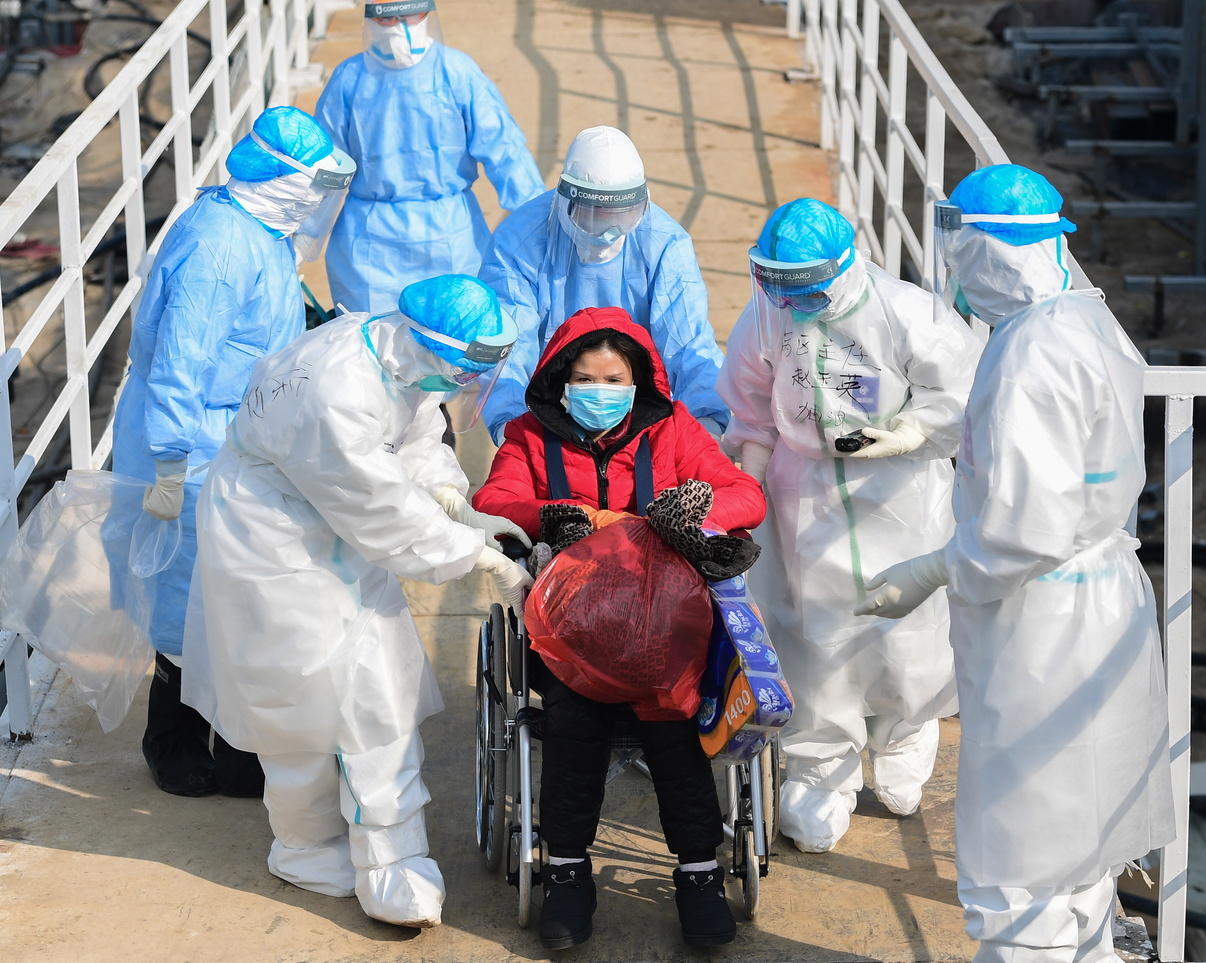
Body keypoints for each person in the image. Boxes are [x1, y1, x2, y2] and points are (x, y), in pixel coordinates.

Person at [855, 164, 1174, 962]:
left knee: (1018, 846)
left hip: (1043, 616)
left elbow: (1020, 531)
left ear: (987, 251)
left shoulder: (1030, 354)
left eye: (960, 250)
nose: (954, 271)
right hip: (1103, 594)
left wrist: (931, 571)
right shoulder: (1088, 318)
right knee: (1081, 829)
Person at [180, 275, 534, 929]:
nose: (462, 383)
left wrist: (452, 493)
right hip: (273, 540)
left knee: (376, 693)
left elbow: (417, 437)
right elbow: (382, 509)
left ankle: (391, 858)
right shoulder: (337, 389)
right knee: (296, 702)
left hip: (331, 528)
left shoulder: (399, 355)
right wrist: (476, 554)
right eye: (461, 369)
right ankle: (306, 845)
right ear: (431, 345)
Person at [473, 306, 766, 950]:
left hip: (661, 622)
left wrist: (692, 508)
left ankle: (699, 874)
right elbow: (491, 501)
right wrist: (553, 515)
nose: (599, 393)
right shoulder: (528, 436)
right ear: (560, 379)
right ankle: (569, 874)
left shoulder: (673, 432)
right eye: (585, 378)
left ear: (639, 382)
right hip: (570, 625)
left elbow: (747, 495)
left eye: (613, 380)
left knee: (671, 720)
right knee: (572, 725)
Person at [718, 198, 981, 853]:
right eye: (781, 285)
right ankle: (820, 768)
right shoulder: (768, 315)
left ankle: (905, 729)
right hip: (802, 494)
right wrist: (744, 489)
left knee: (911, 631)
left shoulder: (905, 312)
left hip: (902, 492)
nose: (794, 299)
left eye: (805, 286)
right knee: (815, 633)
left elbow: (961, 395)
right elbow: (750, 406)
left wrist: (908, 434)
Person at [111, 105, 354, 799]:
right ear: (285, 183)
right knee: (186, 598)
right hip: (188, 437)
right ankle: (174, 739)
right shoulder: (219, 247)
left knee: (237, 589)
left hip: (234, 432)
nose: (317, 206)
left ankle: (237, 737)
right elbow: (178, 366)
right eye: (312, 189)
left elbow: (270, 316)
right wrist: (166, 461)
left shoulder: (258, 227)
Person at [478, 125, 729, 444]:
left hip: (638, 403)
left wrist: (707, 425)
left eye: (621, 216)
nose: (607, 232)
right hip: (548, 406)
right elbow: (510, 345)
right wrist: (510, 427)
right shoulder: (520, 242)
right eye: (593, 214)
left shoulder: (665, 243)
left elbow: (687, 342)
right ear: (566, 200)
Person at [315, 0, 544, 314]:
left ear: (425, 14)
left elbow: (504, 148)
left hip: (376, 241)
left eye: (407, 15)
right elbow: (323, 166)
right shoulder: (353, 78)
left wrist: (536, 220)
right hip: (434, 236)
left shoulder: (452, 73)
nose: (398, 25)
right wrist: (538, 227)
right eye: (388, 18)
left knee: (431, 346)